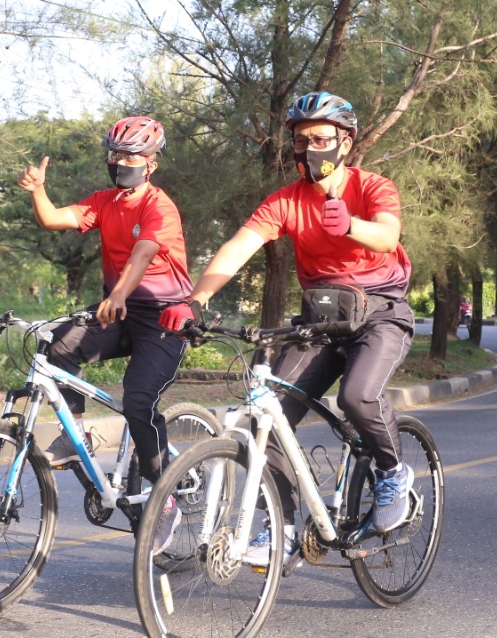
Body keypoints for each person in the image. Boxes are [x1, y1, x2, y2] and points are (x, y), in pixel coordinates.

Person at [159, 91, 415, 565]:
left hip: (379, 313)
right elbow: (240, 246)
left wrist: (351, 224)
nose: (311, 148)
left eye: (321, 138)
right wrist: (196, 299)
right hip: (321, 320)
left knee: (357, 397)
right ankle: (287, 528)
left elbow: (388, 235)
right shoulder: (286, 201)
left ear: (344, 142)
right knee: (266, 414)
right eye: (302, 140)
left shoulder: (372, 185)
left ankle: (393, 470)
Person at [17, 115, 193, 553]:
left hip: (163, 319)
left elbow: (143, 254)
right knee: (57, 345)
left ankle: (165, 497)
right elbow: (55, 220)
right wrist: (38, 190)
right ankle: (78, 434)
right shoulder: (107, 201)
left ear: (151, 163)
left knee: (138, 398)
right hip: (117, 310)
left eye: (131, 155)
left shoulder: (160, 207)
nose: (121, 162)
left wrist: (116, 294)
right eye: (115, 155)